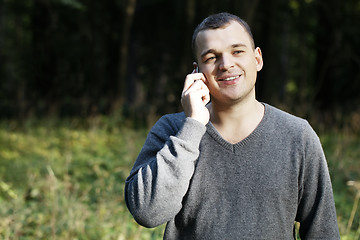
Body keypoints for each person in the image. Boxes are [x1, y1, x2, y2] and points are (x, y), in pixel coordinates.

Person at [125, 12, 340, 239]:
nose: (226, 64)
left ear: (257, 59)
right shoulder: (173, 130)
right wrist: (193, 125)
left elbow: (322, 231)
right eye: (211, 57)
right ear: (197, 72)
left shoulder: (298, 135)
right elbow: (147, 213)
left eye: (237, 51)